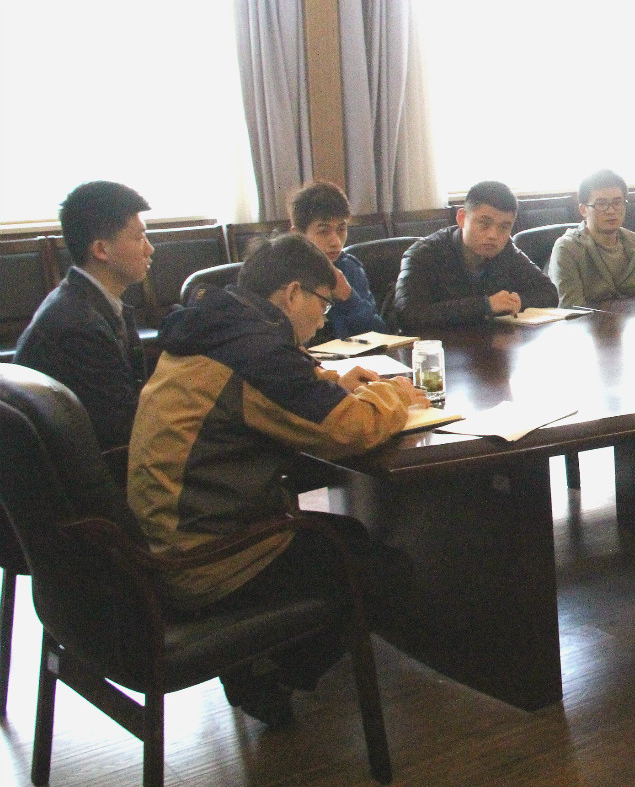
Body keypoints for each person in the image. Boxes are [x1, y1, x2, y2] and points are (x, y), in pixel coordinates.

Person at [126, 232, 428, 726]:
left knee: (349, 538)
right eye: (322, 304)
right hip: (209, 558)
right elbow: (350, 429)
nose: (323, 319)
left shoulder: (220, 326)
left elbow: (271, 389)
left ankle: (261, 663)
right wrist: (396, 395)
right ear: (292, 294)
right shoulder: (255, 351)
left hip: (170, 532)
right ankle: (267, 673)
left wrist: (332, 382)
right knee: (386, 574)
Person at [16, 181, 153, 451]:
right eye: (139, 238)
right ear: (101, 250)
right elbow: (122, 430)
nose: (149, 249)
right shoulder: (78, 326)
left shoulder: (81, 300)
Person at [391, 180, 557, 330]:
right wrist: (485, 305)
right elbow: (408, 314)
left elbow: (549, 292)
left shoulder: (507, 251)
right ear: (462, 218)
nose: (493, 235)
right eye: (484, 224)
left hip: (488, 345)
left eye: (504, 227)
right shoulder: (423, 254)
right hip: (437, 348)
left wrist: (518, 301)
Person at [289, 180, 386, 345]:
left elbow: (380, 334)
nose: (336, 242)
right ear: (298, 234)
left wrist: (349, 297)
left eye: (341, 229)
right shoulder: (284, 274)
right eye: (323, 231)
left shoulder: (348, 268)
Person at [549, 169, 635, 307]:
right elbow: (571, 309)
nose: (611, 211)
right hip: (589, 321)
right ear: (583, 210)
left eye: (617, 203)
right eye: (601, 204)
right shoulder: (567, 248)